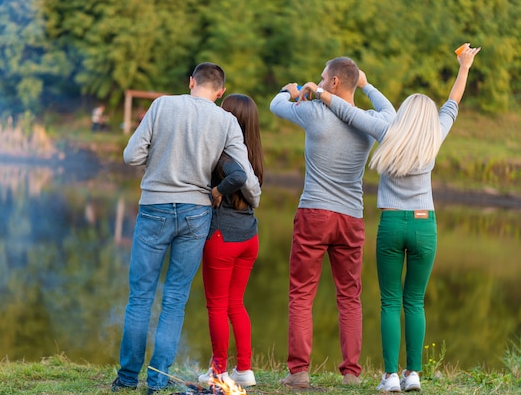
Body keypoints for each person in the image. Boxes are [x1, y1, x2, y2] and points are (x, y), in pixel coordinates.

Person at [299, 43, 481, 392]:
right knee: (414, 301)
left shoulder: (388, 132)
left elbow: (347, 112)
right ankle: (414, 374)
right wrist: (464, 66)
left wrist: (322, 90)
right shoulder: (435, 136)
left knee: (389, 302)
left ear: (404, 116)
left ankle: (390, 377)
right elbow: (452, 102)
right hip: (425, 225)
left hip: (392, 224)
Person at [112, 63, 261, 395]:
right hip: (197, 213)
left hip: (154, 207)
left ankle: (126, 379)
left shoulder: (163, 105)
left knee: (140, 297)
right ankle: (158, 380)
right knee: (175, 299)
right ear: (220, 91)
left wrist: (158, 162)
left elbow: (130, 155)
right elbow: (246, 177)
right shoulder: (226, 121)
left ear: (191, 82)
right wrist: (255, 199)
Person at [269, 57, 395, 389]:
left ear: (335, 82)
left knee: (301, 293)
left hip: (314, 213)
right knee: (350, 296)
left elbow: (276, 105)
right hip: (351, 217)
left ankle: (298, 372)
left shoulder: (314, 113)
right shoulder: (369, 122)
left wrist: (295, 90)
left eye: (323, 78)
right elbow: (392, 116)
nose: (320, 81)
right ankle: (351, 374)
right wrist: (367, 86)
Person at [198, 94, 264, 387]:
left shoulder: (226, 155)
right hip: (249, 236)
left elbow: (235, 178)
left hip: (223, 238)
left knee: (216, 306)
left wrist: (216, 191)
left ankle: (218, 371)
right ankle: (245, 370)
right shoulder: (254, 156)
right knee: (236, 303)